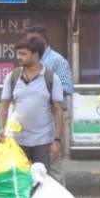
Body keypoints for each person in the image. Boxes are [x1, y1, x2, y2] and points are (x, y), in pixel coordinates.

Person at [0, 35, 65, 172]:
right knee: (20, 182)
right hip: (17, 141)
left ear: (35, 55)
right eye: (18, 53)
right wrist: (1, 129)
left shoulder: (51, 78)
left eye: (23, 54)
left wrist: (57, 141)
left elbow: (58, 111)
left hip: (43, 141)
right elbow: (4, 105)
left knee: (44, 182)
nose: (19, 57)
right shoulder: (12, 77)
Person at [27, 25, 74, 184]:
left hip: (53, 116)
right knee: (36, 162)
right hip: (34, 119)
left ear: (40, 41)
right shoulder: (31, 60)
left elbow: (67, 87)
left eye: (31, 41)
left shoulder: (57, 60)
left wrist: (44, 89)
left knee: (53, 161)